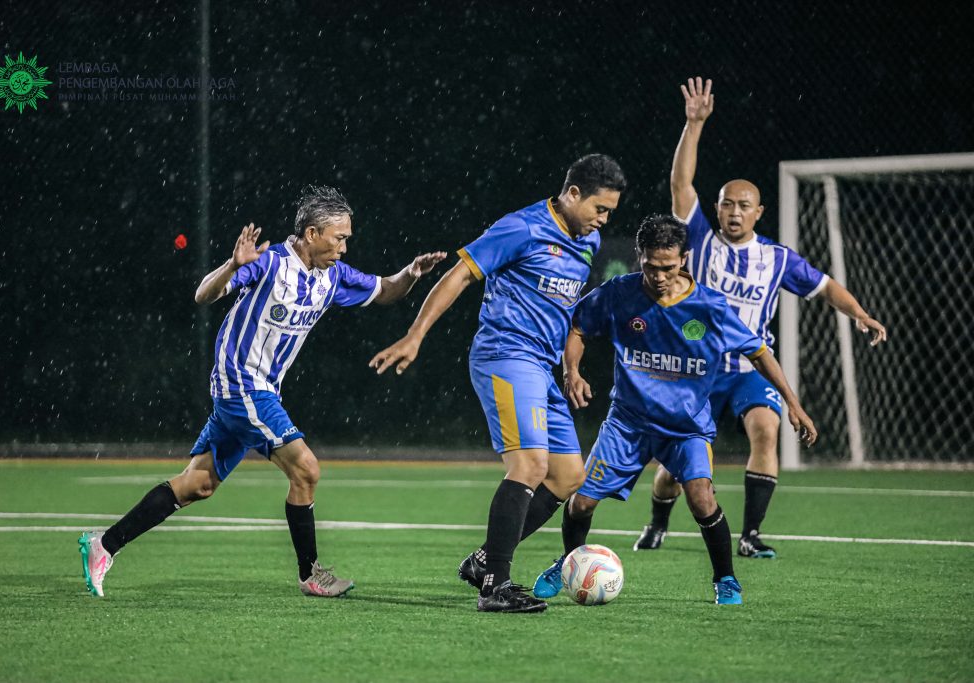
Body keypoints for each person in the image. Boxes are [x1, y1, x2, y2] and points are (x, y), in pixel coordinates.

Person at [79, 185, 446, 598]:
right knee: (306, 470)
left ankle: (103, 545)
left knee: (197, 485)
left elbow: (385, 290)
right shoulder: (270, 263)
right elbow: (205, 294)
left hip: (260, 391)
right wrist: (232, 266)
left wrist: (411, 274)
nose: (344, 247)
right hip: (242, 384)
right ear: (311, 234)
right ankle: (311, 574)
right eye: (339, 237)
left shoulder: (333, 277)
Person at [635, 78, 887, 558]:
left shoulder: (776, 258)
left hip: (751, 368)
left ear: (759, 212)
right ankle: (658, 522)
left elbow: (826, 286)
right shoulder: (700, 240)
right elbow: (680, 184)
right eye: (727, 203)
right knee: (676, 464)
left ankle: (749, 535)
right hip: (698, 369)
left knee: (766, 429)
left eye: (743, 205)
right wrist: (694, 125)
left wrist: (860, 314)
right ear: (717, 209)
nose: (733, 211)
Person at [369, 155, 626, 613]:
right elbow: (459, 274)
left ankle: (483, 561)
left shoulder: (588, 241)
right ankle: (496, 585)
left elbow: (567, 310)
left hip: (543, 367)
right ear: (572, 194)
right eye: (599, 209)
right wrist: (415, 335)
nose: (603, 220)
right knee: (529, 464)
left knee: (568, 477)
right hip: (505, 356)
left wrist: (570, 367)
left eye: (609, 212)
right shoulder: (521, 227)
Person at [531, 214, 818, 605]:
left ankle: (726, 579)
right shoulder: (620, 292)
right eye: (651, 266)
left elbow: (759, 351)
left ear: (684, 258)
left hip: (686, 428)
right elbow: (578, 326)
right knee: (581, 502)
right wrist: (572, 370)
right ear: (640, 257)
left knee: (701, 497)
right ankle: (568, 561)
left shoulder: (710, 306)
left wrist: (793, 403)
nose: (659, 275)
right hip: (627, 423)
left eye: (668, 266)